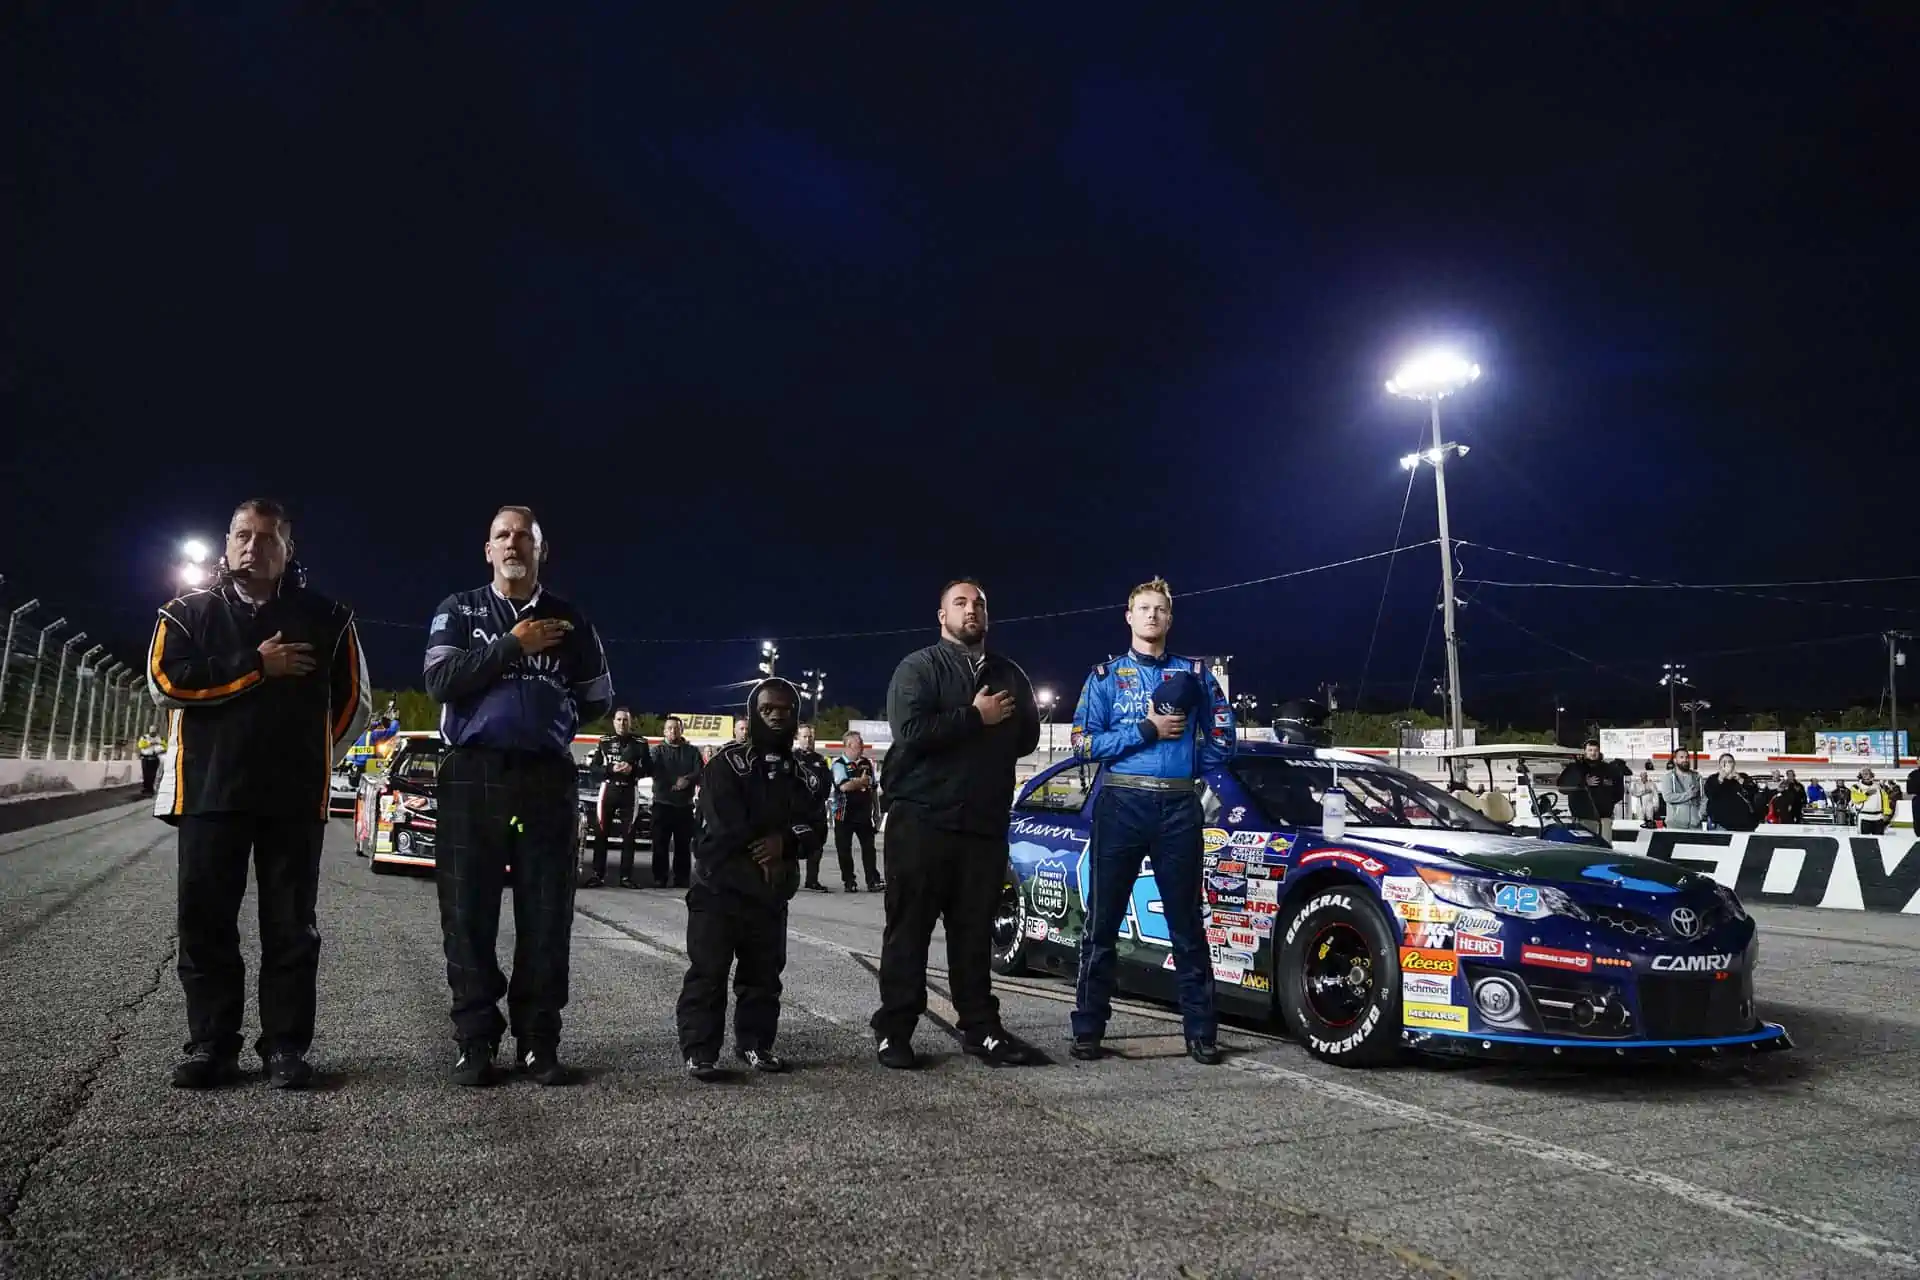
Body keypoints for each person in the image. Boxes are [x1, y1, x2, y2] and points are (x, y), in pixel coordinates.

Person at [147, 499, 370, 1089]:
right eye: (243, 536)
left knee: (291, 927)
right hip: (210, 793)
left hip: (292, 800)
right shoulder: (184, 613)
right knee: (206, 923)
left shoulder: (329, 617)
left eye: (268, 538)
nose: (254, 547)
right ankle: (211, 1046)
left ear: (287, 551)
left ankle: (285, 1048)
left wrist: (313, 759)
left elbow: (353, 704)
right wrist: (254, 666)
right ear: (225, 545)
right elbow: (167, 683)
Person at [425, 505, 612, 1087]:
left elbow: (599, 700)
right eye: (502, 536)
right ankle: (475, 1040)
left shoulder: (571, 618)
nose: (513, 545)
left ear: (541, 550)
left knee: (547, 914)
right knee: (467, 914)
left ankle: (538, 1042)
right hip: (472, 773)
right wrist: (511, 646)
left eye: (523, 538)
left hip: (545, 779)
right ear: (488, 550)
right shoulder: (459, 610)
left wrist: (546, 715)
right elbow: (440, 682)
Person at [871, 579, 1040, 1069]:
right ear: (942, 616)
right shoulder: (918, 667)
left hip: (982, 826)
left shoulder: (1009, 673)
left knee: (973, 933)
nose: (972, 610)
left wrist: (985, 742)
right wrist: (975, 718)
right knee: (909, 932)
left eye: (979, 603)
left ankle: (981, 1029)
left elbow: (1026, 736)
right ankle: (895, 1031)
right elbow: (911, 732)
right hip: (921, 822)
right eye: (961, 603)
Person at [1068, 577, 1235, 1065]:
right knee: (1101, 924)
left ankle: (1202, 1033)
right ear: (1128, 616)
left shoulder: (1196, 674)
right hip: (1121, 803)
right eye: (1143, 608)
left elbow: (1225, 740)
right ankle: (1087, 1029)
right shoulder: (1103, 677)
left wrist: (1185, 761)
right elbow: (1082, 744)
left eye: (1160, 609)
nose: (1152, 616)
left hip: (1179, 808)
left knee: (1187, 926)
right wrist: (1147, 729)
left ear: (1170, 617)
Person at [677, 678, 826, 1079]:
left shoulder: (805, 774)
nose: (778, 715)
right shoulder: (725, 764)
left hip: (769, 896)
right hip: (717, 889)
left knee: (763, 978)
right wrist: (770, 843)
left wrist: (785, 843)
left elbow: (816, 828)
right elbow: (726, 824)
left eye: (786, 709)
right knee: (707, 974)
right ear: (751, 715)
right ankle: (700, 1051)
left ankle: (756, 1045)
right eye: (767, 709)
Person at [585, 708, 651, 888]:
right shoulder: (604, 742)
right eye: (619, 720)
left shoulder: (640, 743)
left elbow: (650, 768)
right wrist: (611, 769)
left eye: (625, 720)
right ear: (614, 722)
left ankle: (626, 877)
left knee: (629, 835)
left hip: (630, 790)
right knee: (601, 833)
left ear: (631, 723)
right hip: (609, 790)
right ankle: (597, 875)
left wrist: (633, 770)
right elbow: (594, 770)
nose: (622, 723)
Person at [648, 716, 702, 888]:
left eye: (676, 728)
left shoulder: (692, 751)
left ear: (682, 730)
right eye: (669, 728)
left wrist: (687, 779)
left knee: (683, 845)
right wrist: (674, 782)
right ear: (664, 731)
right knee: (660, 844)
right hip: (662, 804)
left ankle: (682, 878)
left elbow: (701, 771)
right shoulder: (657, 751)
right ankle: (660, 877)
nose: (673, 731)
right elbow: (655, 770)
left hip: (684, 806)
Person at [830, 729, 883, 893]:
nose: (862, 748)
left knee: (869, 849)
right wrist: (861, 782)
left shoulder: (867, 763)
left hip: (864, 814)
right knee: (844, 850)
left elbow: (873, 788)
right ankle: (849, 881)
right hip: (843, 814)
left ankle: (873, 880)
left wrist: (876, 811)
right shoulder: (839, 764)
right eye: (859, 745)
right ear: (849, 746)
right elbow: (844, 786)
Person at [1556, 739, 1628, 841]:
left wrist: (1607, 804)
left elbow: (1618, 793)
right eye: (1590, 750)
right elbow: (1562, 787)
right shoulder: (1576, 768)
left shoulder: (1609, 769)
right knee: (1585, 847)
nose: (1593, 753)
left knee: (1604, 848)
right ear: (1584, 752)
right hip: (1583, 819)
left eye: (1595, 750)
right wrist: (1584, 783)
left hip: (1604, 819)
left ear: (1599, 752)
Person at [792, 723, 835, 892]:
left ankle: (812, 880)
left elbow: (826, 784)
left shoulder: (820, 760)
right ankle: (789, 880)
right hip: (796, 813)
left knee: (817, 847)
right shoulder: (791, 758)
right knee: (794, 847)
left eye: (810, 737)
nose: (808, 740)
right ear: (798, 738)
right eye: (804, 736)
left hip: (816, 812)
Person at [1658, 750, 1706, 829]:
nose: (1685, 760)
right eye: (1681, 757)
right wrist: (1688, 794)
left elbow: (1704, 798)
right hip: (1675, 826)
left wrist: (1700, 815)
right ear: (1675, 760)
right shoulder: (1668, 777)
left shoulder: (1697, 777)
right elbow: (1668, 797)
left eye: (1687, 757)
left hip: (1695, 826)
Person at [1854, 768, 1896, 835]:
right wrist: (1866, 794)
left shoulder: (1878, 786)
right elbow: (1855, 799)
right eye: (1864, 774)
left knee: (1880, 839)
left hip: (1878, 817)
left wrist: (1887, 813)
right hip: (1864, 817)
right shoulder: (1856, 787)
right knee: (1864, 840)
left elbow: (1885, 800)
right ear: (1860, 776)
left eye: (1868, 773)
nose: (1867, 775)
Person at [137, 727, 166, 796]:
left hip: (155, 758)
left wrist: (160, 748)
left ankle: (151, 789)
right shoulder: (144, 737)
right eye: (151, 732)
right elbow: (141, 745)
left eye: (154, 732)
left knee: (152, 775)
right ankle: (145, 788)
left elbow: (165, 746)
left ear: (156, 732)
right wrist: (150, 744)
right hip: (145, 758)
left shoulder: (160, 738)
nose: (152, 733)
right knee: (146, 774)